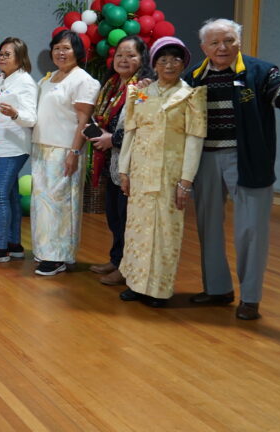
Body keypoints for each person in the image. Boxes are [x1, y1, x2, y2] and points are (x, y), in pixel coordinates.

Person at [183, 18, 280, 320]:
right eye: (214, 43)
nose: (222, 47)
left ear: (239, 41)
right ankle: (217, 289)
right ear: (204, 48)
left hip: (249, 158)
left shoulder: (260, 71)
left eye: (228, 40)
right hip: (206, 161)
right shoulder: (193, 78)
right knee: (208, 225)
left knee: (251, 230)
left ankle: (250, 298)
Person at [118, 37, 206, 307]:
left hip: (170, 176)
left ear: (184, 64)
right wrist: (124, 170)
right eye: (163, 60)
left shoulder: (190, 96)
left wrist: (186, 181)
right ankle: (135, 282)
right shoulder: (142, 92)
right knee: (137, 229)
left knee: (166, 232)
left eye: (176, 59)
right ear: (154, 64)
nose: (169, 65)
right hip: (141, 172)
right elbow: (131, 131)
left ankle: (157, 289)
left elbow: (194, 140)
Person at [31, 30, 100, 275]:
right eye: (57, 48)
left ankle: (58, 257)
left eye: (67, 48)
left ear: (77, 52)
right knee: (42, 206)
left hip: (64, 150)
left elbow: (83, 122)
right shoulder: (48, 79)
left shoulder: (83, 80)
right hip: (41, 148)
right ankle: (44, 252)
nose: (61, 52)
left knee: (60, 205)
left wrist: (74, 152)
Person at [86, 36, 153, 285]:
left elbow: (144, 125)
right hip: (110, 162)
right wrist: (94, 133)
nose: (124, 60)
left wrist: (112, 139)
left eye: (130, 55)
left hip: (132, 163)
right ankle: (116, 259)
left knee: (127, 218)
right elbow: (98, 118)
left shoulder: (145, 88)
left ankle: (127, 268)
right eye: (120, 55)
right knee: (114, 216)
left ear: (142, 59)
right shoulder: (111, 85)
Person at [0, 38, 37, 264]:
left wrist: (14, 114)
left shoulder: (26, 82)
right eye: (0, 54)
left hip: (13, 147)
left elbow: (31, 118)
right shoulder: (0, 80)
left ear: (20, 57)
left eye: (7, 54)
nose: (2, 58)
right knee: (11, 195)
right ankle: (14, 244)